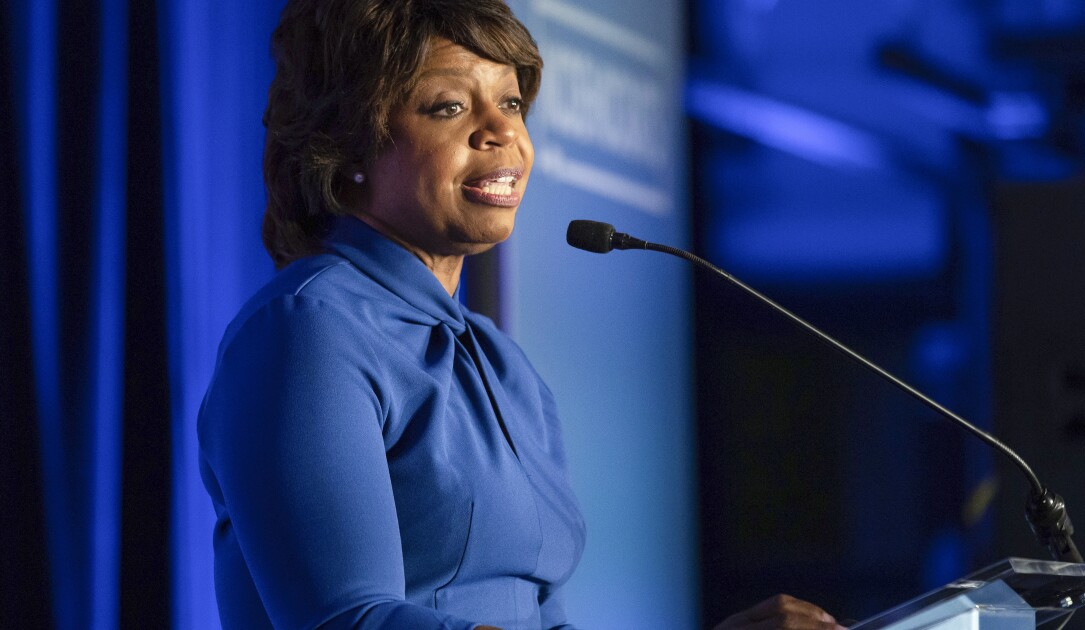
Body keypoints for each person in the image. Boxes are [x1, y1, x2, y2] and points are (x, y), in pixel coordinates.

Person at [198, 1, 846, 628]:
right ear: (347, 148)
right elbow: (349, 620)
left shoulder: (502, 366)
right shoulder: (307, 328)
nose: (502, 131)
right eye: (449, 107)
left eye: (510, 103)